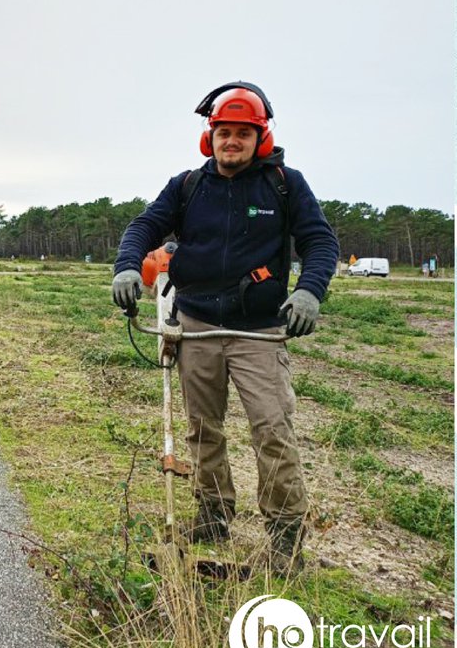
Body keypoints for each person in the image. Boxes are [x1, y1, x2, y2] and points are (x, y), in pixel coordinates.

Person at [111, 81, 339, 573]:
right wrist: (127, 267)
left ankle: (285, 536)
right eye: (223, 133)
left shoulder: (284, 184)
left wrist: (309, 291)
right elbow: (142, 227)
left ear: (261, 137)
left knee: (272, 428)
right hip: (194, 325)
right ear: (209, 137)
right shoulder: (188, 186)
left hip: (259, 332)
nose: (232, 141)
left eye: (243, 133)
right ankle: (213, 516)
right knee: (203, 428)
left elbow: (320, 242)